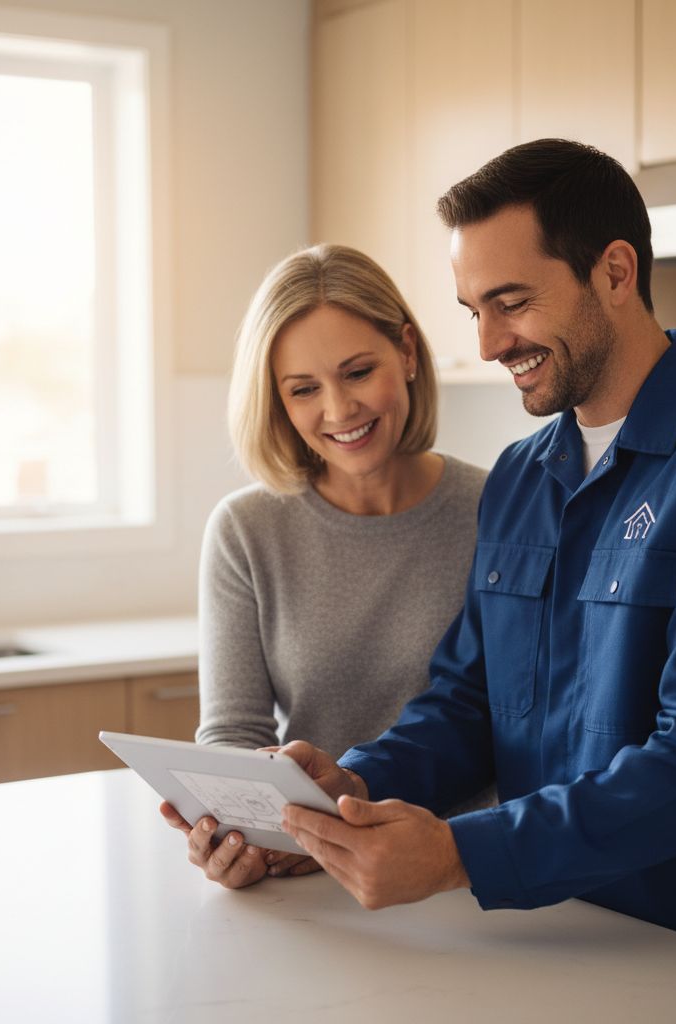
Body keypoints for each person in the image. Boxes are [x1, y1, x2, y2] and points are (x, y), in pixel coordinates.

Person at [279, 140, 676, 978]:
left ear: (615, 272)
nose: (486, 343)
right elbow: (470, 702)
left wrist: (457, 855)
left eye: (510, 302)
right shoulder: (522, 474)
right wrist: (353, 789)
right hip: (547, 941)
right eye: (471, 308)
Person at [160, 243, 488, 889]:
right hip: (306, 871)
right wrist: (231, 834)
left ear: (409, 354)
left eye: (358, 372)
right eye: (304, 389)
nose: (338, 411)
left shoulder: (501, 510)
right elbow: (233, 734)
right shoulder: (246, 529)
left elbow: (501, 720)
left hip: (459, 869)